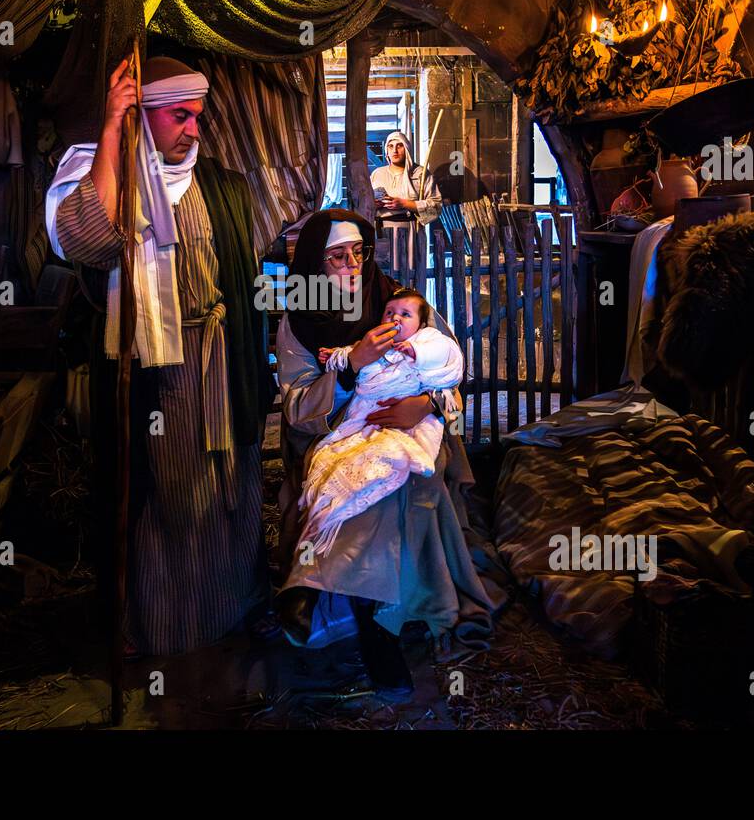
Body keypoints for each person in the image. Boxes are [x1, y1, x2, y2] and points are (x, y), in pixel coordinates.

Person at [44, 56, 275, 656]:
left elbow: (242, 283)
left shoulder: (221, 185)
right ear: (143, 116)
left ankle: (230, 608)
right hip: (158, 369)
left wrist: (256, 366)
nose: (194, 129)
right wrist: (112, 129)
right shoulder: (106, 179)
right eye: (179, 116)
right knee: (169, 493)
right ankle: (171, 629)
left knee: (231, 485)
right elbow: (91, 243)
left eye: (197, 116)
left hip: (221, 360)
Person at [274, 209, 496, 697]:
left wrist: (425, 404)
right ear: (315, 262)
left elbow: (450, 370)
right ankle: (378, 627)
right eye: (337, 255)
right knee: (365, 482)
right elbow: (297, 408)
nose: (352, 263)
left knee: (406, 472)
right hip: (337, 434)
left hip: (415, 427)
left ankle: (318, 586)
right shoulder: (300, 321)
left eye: (359, 252)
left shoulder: (401, 301)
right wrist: (351, 366)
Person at [301, 288, 464, 557]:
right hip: (360, 418)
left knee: (414, 478)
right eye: (389, 313)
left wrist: (425, 404)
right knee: (338, 463)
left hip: (415, 419)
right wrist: (344, 358)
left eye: (404, 315)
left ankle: (413, 565)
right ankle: (336, 560)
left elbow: (449, 370)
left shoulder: (426, 338)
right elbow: (343, 360)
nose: (395, 318)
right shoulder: (306, 321)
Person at [370, 130, 441, 270]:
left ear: (407, 149)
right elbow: (364, 203)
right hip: (381, 230)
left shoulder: (420, 174)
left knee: (408, 273)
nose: (395, 150)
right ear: (386, 151)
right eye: (390, 146)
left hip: (409, 231)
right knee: (384, 275)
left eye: (399, 145)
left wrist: (404, 203)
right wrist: (374, 205)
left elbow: (436, 206)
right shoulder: (378, 174)